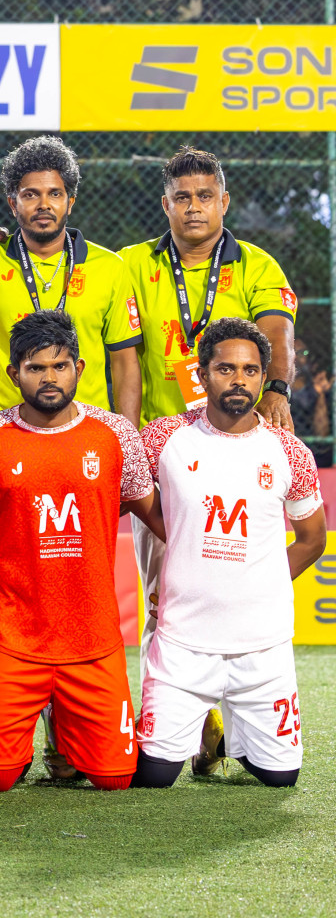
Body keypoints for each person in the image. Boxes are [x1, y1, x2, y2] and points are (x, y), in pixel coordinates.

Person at [0, 311, 161, 792]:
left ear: (80, 368)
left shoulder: (115, 435)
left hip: (91, 633)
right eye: (36, 368)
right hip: (12, 632)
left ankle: (62, 728)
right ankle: (40, 728)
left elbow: (151, 511)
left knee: (115, 779)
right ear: (12, 373)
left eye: (59, 366)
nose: (49, 378)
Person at [134, 318, 325, 788]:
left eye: (250, 370)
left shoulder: (290, 451)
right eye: (225, 369)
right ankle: (197, 734)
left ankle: (231, 743)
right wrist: (177, 534)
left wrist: (264, 581)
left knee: (280, 778)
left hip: (263, 647)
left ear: (264, 377)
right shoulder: (163, 437)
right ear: (201, 375)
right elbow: (126, 493)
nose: (239, 379)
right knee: (153, 777)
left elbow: (312, 539)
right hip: (182, 644)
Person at [0, 136, 143, 422]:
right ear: (13, 203)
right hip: (5, 431)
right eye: (31, 194)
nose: (44, 204)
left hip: (87, 434)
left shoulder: (110, 267)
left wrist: (128, 439)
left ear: (70, 202)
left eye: (55, 194)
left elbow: (124, 361)